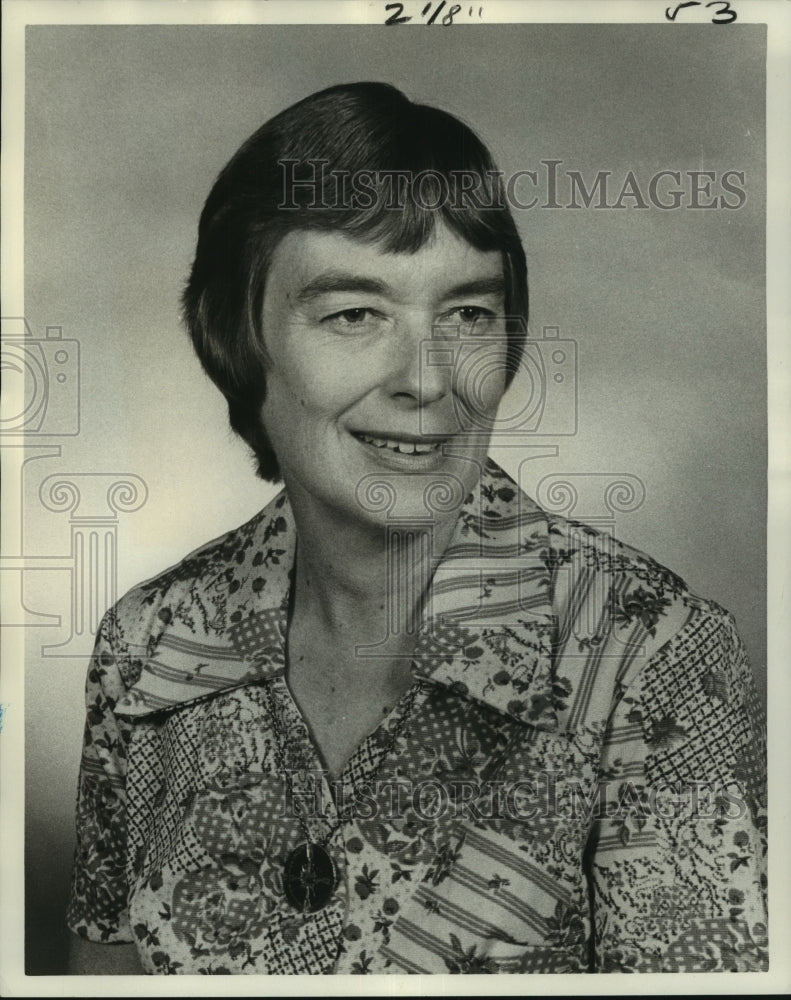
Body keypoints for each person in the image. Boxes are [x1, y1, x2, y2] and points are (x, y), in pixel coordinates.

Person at [66, 82, 767, 975]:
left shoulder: (648, 654)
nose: (428, 379)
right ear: (236, 338)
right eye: (355, 314)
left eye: (467, 313)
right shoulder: (148, 642)